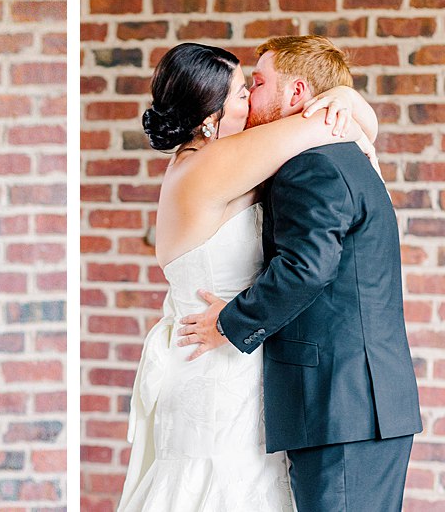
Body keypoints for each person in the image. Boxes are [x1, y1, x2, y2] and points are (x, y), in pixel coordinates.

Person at [117, 40, 382, 512]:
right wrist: (346, 100)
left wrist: (348, 101)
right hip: (215, 364)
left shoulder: (215, 159)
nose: (252, 99)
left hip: (232, 362)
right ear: (208, 117)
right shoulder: (212, 164)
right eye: (243, 91)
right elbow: (324, 124)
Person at [178, 36, 422, 511]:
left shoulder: (311, 164)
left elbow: (306, 267)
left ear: (297, 94)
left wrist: (230, 323)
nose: (251, 97)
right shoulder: (339, 152)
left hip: (343, 407)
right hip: (358, 406)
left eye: (261, 83)